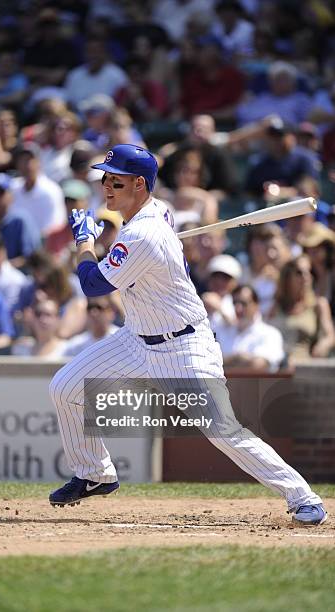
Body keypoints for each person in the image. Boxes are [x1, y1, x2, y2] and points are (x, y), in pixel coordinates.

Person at [48, 143, 327, 526]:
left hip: (183, 346)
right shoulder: (156, 212)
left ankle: (302, 496)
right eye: (105, 179)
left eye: (117, 181)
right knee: (66, 387)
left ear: (141, 185)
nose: (106, 188)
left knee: (223, 430)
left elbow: (94, 285)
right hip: (136, 338)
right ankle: (95, 473)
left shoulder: (144, 233)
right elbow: (159, 218)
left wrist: (84, 243)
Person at [268, 255, 335, 362]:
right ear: (287, 278)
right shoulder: (277, 305)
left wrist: (323, 345)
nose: (306, 277)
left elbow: (330, 336)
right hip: (277, 364)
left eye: (309, 272)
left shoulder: (318, 304)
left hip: (304, 365)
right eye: (299, 273)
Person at [216, 284, 284, 371]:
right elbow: (206, 363)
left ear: (256, 305)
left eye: (243, 303)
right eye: (235, 303)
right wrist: (238, 358)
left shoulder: (271, 334)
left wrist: (224, 362)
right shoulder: (222, 331)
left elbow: (257, 366)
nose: (238, 308)